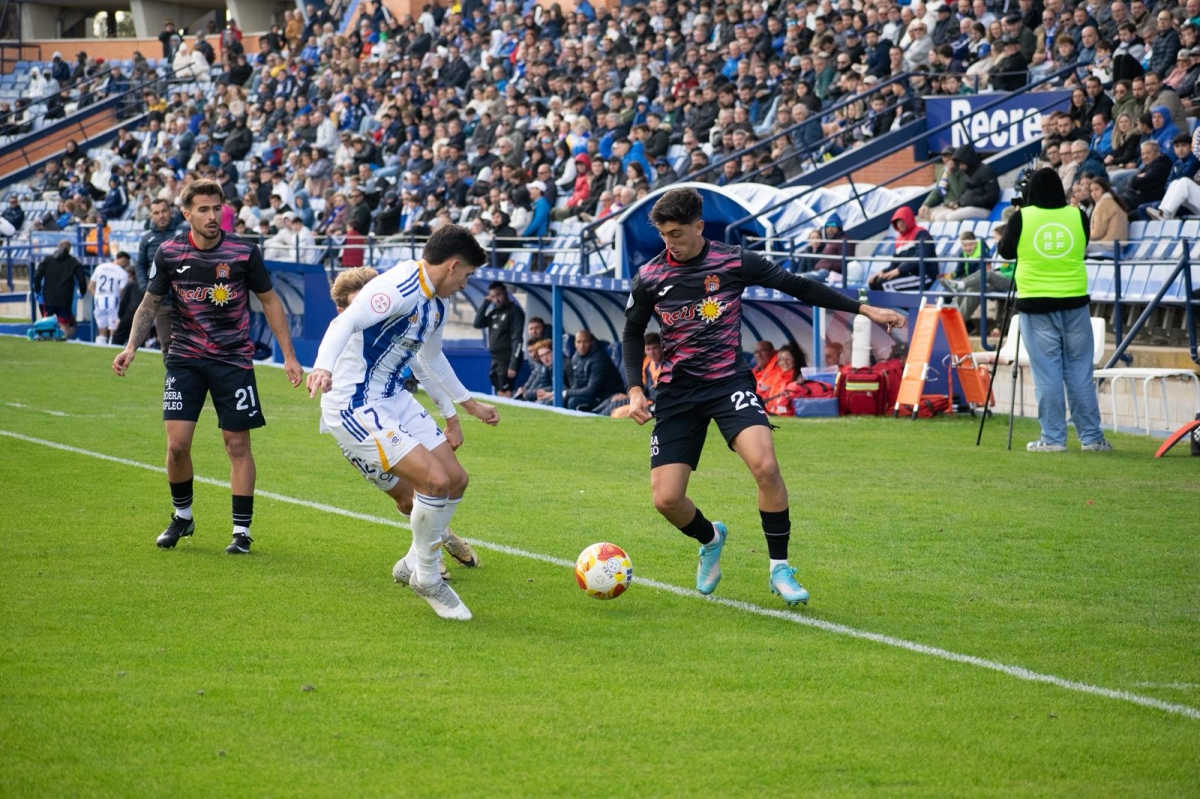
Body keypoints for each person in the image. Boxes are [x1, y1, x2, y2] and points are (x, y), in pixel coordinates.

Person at [620, 188, 906, 605]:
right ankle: (711, 537)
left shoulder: (734, 261)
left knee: (765, 465)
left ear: (700, 226)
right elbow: (632, 332)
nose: (670, 243)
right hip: (678, 392)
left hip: (728, 384)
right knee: (666, 498)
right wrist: (634, 388)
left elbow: (799, 287)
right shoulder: (650, 276)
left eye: (677, 233)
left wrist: (865, 310)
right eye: (663, 234)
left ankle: (779, 569)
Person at [305, 225, 498, 621]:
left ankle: (413, 562)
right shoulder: (397, 287)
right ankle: (427, 577)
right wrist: (323, 367)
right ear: (453, 265)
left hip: (392, 396)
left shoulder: (436, 304)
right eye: (467, 275)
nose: (466, 283)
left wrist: (467, 405)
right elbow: (343, 323)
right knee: (432, 483)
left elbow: (431, 358)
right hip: (355, 403)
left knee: (456, 479)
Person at [112, 179, 304, 554]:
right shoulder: (168, 253)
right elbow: (150, 303)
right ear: (187, 214)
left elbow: (270, 301)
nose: (212, 215)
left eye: (217, 208)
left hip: (233, 361)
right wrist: (131, 346)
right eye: (203, 209)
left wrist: (289, 356)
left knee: (236, 445)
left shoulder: (244, 252)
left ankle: (241, 532)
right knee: (177, 445)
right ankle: (183, 517)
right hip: (184, 358)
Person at [322, 267, 480, 580]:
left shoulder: (394, 324)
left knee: (440, 480)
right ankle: (439, 539)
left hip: (393, 406)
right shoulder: (343, 332)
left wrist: (451, 415)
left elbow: (424, 363)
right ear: (343, 310)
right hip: (357, 423)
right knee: (408, 498)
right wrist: (321, 368)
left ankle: (426, 555)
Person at [996, 168, 1112, 453]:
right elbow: (1081, 244)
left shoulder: (1022, 217)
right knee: (1079, 372)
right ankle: (1092, 438)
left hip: (1036, 304)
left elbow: (1006, 252)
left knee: (1047, 373)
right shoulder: (1077, 215)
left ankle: (1053, 438)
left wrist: (1020, 215)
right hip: (1074, 302)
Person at [137, 199, 188, 360]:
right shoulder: (147, 239)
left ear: (170, 212)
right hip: (161, 301)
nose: (161, 216)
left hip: (186, 301)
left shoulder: (183, 233)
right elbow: (140, 265)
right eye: (156, 213)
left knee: (191, 344)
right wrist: (145, 287)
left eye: (164, 211)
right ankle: (173, 382)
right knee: (167, 345)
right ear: (151, 216)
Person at [472, 281, 525, 398]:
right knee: (499, 389)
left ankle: (508, 415)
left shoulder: (514, 312)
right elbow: (477, 323)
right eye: (493, 296)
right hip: (495, 359)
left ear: (506, 293)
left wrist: (513, 364)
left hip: (507, 359)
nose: (497, 299)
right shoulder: (494, 312)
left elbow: (518, 339)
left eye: (499, 295)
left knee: (506, 391)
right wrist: (486, 303)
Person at [868, 207, 939, 291]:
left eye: (902, 220)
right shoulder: (899, 240)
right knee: (875, 283)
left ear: (908, 219)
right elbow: (894, 264)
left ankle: (889, 304)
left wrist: (899, 270)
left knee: (884, 285)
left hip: (923, 276)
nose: (900, 224)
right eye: (897, 221)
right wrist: (882, 272)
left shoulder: (921, 233)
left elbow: (920, 256)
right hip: (907, 274)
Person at [33, 240, 87, 339]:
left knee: (47, 321)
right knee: (64, 323)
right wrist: (83, 291)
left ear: (58, 246)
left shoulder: (47, 259)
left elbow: (37, 275)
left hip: (48, 296)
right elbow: (81, 279)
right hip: (65, 297)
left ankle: (46, 344)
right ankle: (64, 341)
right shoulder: (74, 262)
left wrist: (37, 289)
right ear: (69, 249)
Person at [564, 329, 625, 412]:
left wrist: (567, 393)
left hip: (607, 397)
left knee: (573, 401)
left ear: (591, 342)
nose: (582, 346)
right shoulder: (576, 357)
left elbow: (591, 391)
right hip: (594, 395)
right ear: (574, 343)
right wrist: (565, 393)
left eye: (585, 342)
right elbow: (577, 384)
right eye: (579, 342)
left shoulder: (599, 359)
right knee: (564, 398)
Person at [88, 251, 132, 345]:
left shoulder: (99, 267)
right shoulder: (123, 273)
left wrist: (97, 297)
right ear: (123, 260)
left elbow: (90, 286)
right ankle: (112, 347)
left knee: (101, 329)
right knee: (113, 328)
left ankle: (99, 348)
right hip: (113, 300)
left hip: (99, 299)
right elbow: (122, 291)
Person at [514, 338, 555, 404]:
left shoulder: (558, 365)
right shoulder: (540, 364)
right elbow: (535, 378)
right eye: (542, 356)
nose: (545, 358)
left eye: (547, 353)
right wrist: (525, 388)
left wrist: (529, 393)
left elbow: (559, 386)